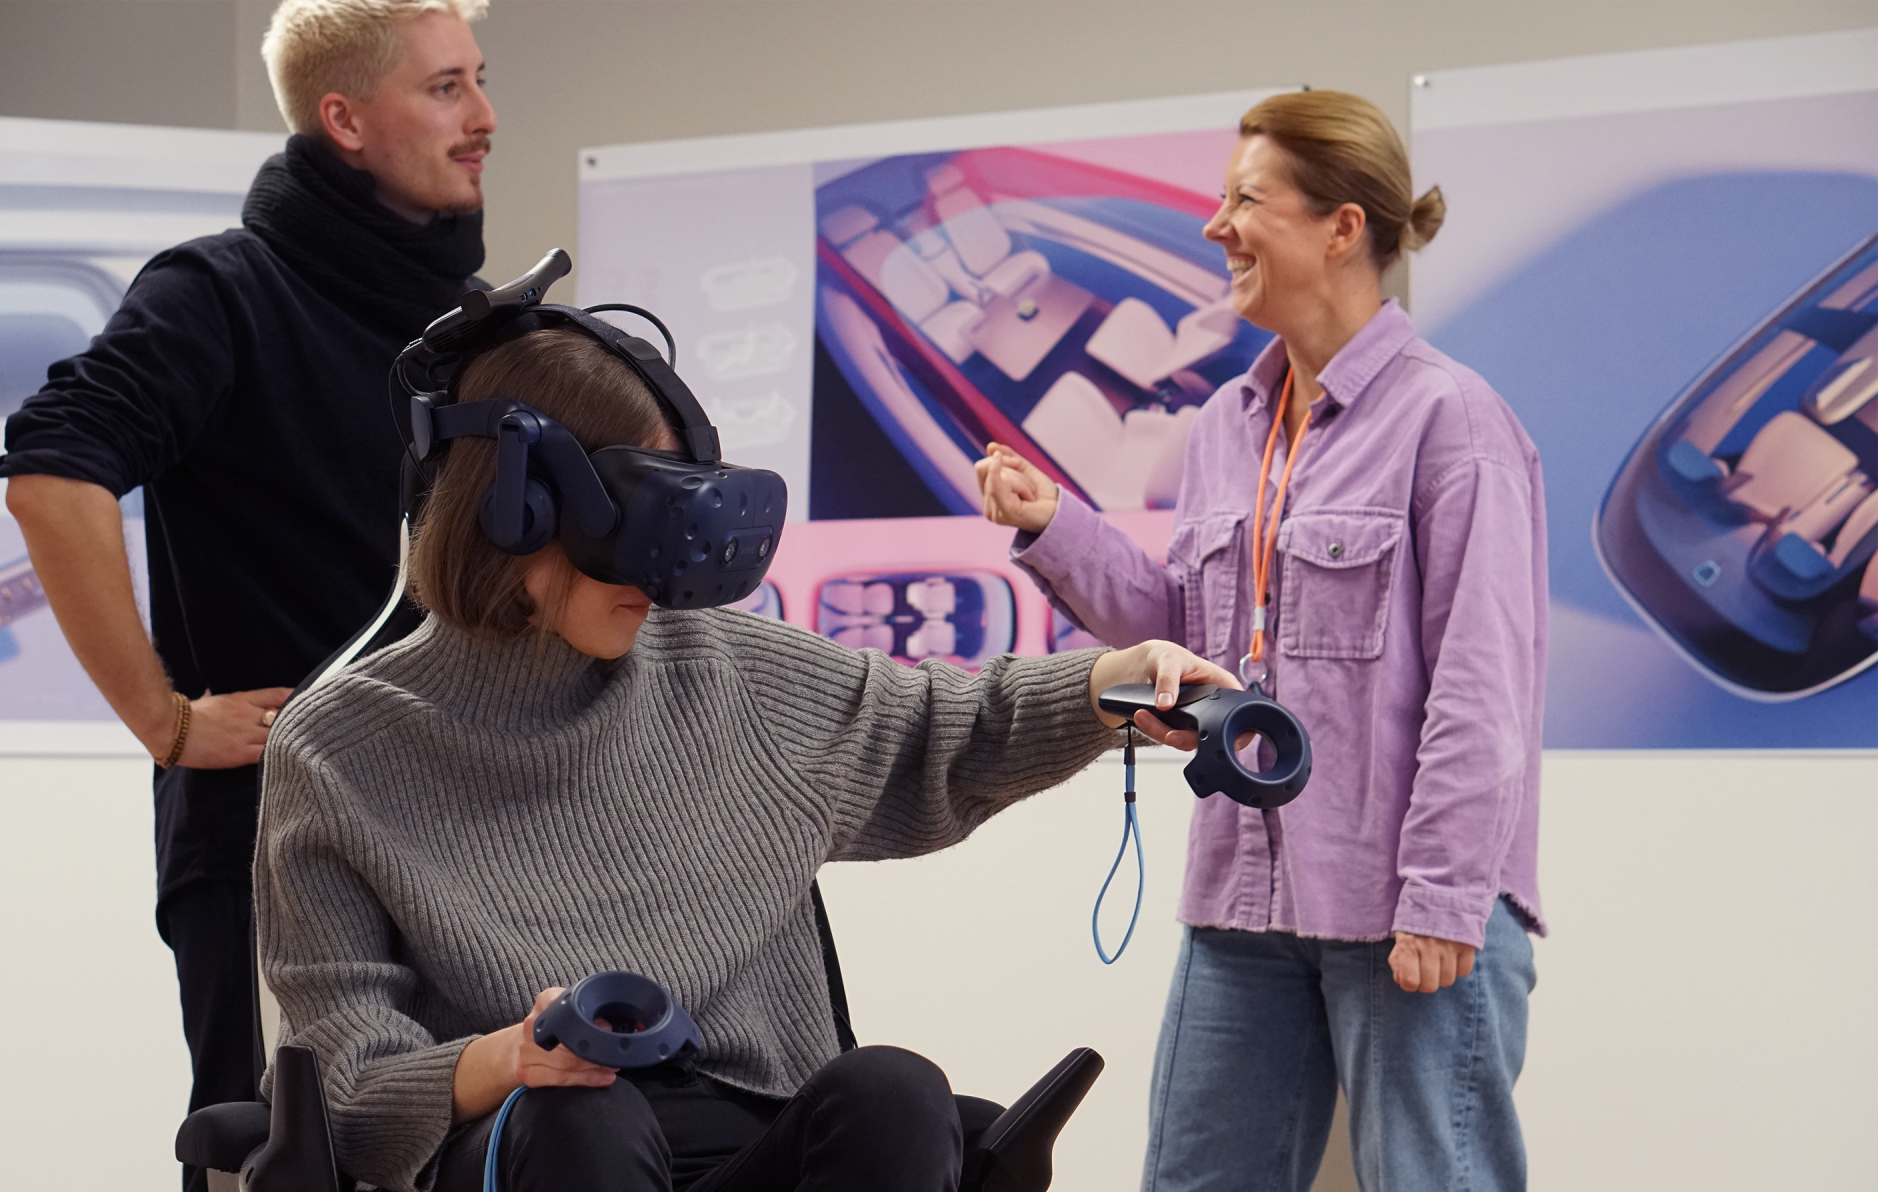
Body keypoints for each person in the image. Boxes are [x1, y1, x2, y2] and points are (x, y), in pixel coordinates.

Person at [254, 324, 1234, 1192]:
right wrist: (512, 1058)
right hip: (539, 1136)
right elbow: (344, 1088)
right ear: (514, 508)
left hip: (750, 1135)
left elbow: (949, 729)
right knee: (585, 1113)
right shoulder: (339, 750)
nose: (663, 569)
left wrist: (1115, 681)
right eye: (639, 518)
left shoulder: (721, 668)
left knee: (892, 1090)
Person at [975, 91, 1546, 1191]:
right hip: (1241, 898)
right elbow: (1184, 637)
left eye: (1245, 199)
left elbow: (1483, 684)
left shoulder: (1451, 420)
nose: (1214, 224)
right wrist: (1052, 526)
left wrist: (1437, 895)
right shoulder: (1226, 425)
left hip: (1402, 905)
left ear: (1340, 226)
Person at [0, 3, 495, 1187]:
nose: (482, 119)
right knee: (275, 1161)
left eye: (480, 79)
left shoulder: (467, 328)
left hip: (462, 832)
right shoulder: (222, 290)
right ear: (346, 119)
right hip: (269, 841)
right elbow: (52, 472)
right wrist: (164, 720)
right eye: (444, 89)